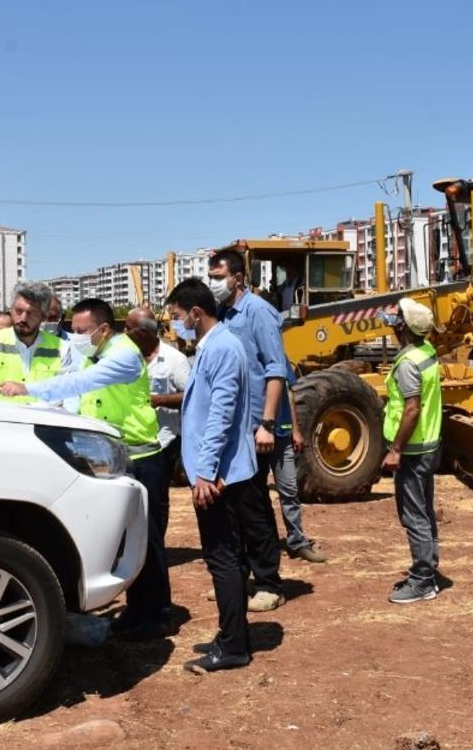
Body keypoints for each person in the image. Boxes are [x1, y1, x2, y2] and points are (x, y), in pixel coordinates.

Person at [0, 298, 171, 640]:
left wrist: (27, 389)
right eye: (73, 330)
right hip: (116, 459)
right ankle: (138, 611)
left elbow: (81, 383)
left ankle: (157, 614)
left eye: (81, 331)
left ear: (103, 329)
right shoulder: (98, 352)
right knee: (126, 542)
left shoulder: (121, 355)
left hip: (142, 458)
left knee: (147, 541)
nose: (74, 336)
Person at [167, 278, 257, 673]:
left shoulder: (222, 347)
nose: (175, 325)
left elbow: (220, 414)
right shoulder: (214, 347)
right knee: (227, 559)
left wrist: (205, 472)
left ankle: (234, 645)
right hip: (221, 471)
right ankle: (230, 634)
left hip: (220, 475)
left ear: (195, 313)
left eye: (176, 317)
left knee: (223, 559)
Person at [208, 249, 286, 612]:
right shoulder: (222, 315)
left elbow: (275, 370)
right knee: (231, 508)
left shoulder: (259, 313)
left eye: (219, 275)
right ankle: (237, 579)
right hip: (230, 429)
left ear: (238, 277)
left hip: (255, 428)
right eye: (210, 276)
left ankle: (269, 582)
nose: (214, 283)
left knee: (253, 507)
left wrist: (267, 425)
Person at [380, 297, 443, 604]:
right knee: (425, 511)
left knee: (413, 514)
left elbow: (411, 410)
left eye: (397, 318)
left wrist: (395, 449)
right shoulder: (427, 352)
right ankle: (429, 567)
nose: (392, 321)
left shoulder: (407, 364)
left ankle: (422, 581)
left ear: (404, 327)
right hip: (430, 444)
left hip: (414, 450)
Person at [126, 307, 189, 485]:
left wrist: (159, 400)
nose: (124, 332)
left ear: (143, 332)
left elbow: (191, 397)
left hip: (165, 442)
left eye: (128, 328)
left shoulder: (175, 360)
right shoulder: (125, 357)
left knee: (157, 499)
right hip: (133, 443)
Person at [272, 366, 326, 562]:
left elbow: (288, 393)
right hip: (256, 437)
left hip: (282, 435)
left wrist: (295, 430)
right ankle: (266, 542)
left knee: (289, 489)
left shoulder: (279, 357)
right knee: (256, 496)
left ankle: (297, 541)